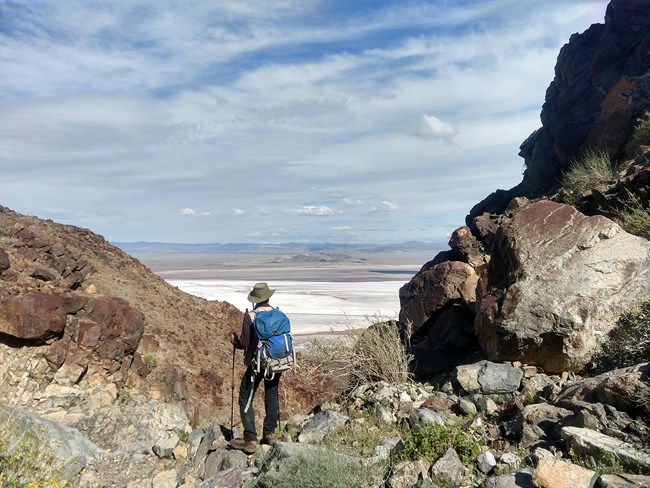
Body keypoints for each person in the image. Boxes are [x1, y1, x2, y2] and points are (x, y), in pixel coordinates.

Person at [228, 282, 282, 454]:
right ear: (268, 297)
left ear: (254, 300)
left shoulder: (250, 316)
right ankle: (269, 434)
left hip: (258, 362)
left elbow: (244, 343)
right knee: (271, 393)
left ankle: (250, 438)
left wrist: (234, 341)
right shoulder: (278, 313)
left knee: (246, 395)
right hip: (277, 361)